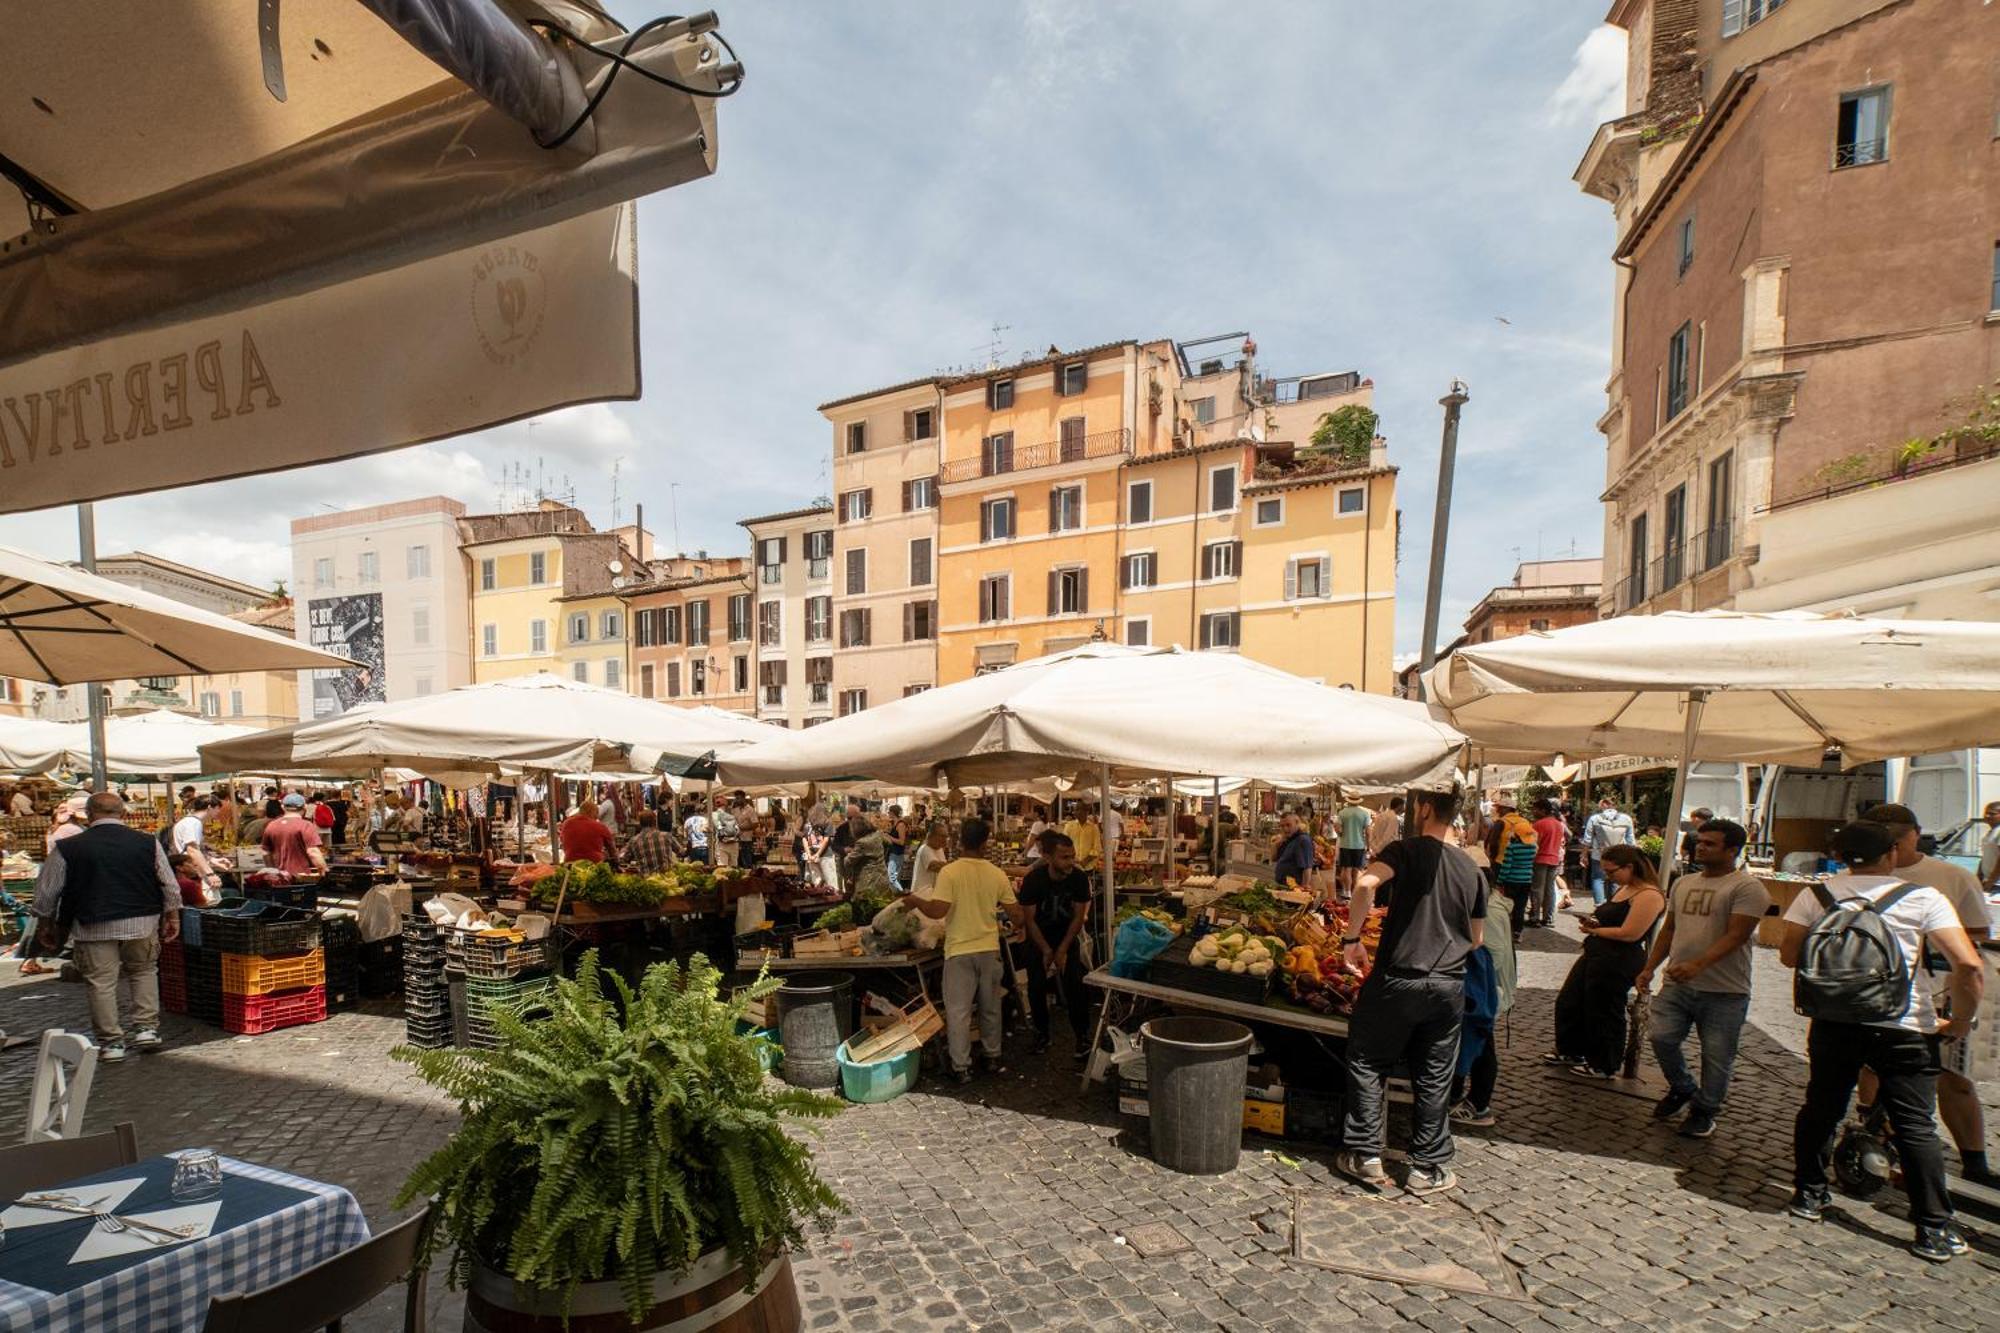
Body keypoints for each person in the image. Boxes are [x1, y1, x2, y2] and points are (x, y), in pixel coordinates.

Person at [1780, 821, 1983, 1262]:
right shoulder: (1923, 898)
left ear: (1839, 853)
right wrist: (1960, 1021)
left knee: (1822, 1107)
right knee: (1915, 1124)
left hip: (1834, 1021)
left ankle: (1809, 1194)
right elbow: (1968, 966)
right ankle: (1932, 1227)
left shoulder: (1816, 895)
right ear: (1891, 853)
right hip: (1905, 1023)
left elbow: (1788, 954)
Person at [1336, 785, 1486, 1196]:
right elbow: (1477, 938)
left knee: (1368, 1062)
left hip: (1398, 978)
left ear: (1422, 808)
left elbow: (1365, 885)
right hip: (1448, 986)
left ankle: (1366, 1157)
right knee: (1435, 1076)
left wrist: (1352, 939)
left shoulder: (1406, 851)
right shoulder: (1471, 868)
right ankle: (1426, 1168)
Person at [1856, 804, 1993, 1182]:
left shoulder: (1949, 877)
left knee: (1954, 1078)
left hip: (1940, 996)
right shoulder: (1860, 877)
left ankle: (1974, 1160)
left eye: (1896, 837)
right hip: (1873, 999)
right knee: (1873, 1072)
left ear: (1914, 834)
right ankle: (1877, 1144)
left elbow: (1976, 939)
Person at [1635, 817, 1769, 1138]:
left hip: (1725, 990)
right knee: (1660, 1037)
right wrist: (1649, 966)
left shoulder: (1747, 887)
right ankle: (1682, 1086)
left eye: (1710, 843)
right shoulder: (1684, 883)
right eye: (1699, 841)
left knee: (1717, 1055)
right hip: (1678, 983)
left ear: (1733, 850)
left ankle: (1705, 1110)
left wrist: (1699, 964)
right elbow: (1669, 929)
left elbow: (1737, 935)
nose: (1700, 847)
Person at [31, 792, 181, 1063]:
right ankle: (146, 1029)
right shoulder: (147, 843)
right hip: (141, 919)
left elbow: (46, 892)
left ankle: (112, 1042)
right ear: (123, 813)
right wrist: (172, 915)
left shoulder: (68, 847)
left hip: (92, 922)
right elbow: (169, 883)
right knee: (144, 971)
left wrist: (45, 921)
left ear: (88, 815)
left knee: (101, 983)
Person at [895, 818, 1026, 1084]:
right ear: (985, 842)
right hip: (989, 949)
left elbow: (937, 911)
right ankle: (992, 1056)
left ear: (960, 841)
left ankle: (961, 1067)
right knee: (990, 1007)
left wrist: (914, 900)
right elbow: (1017, 915)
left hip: (959, 951)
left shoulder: (950, 872)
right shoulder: (996, 873)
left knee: (959, 1012)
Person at [1548, 844, 1664, 1080]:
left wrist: (1598, 932)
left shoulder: (1649, 895)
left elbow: (1631, 933)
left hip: (1619, 959)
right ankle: (1572, 1050)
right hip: (1598, 953)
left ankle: (1604, 1062)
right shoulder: (1625, 888)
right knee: (1571, 1001)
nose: (1608, 877)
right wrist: (1595, 926)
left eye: (1612, 871)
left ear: (1630, 867)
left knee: (1603, 1009)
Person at [1017, 831, 1093, 1060]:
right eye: (1064, 857)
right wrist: (1046, 950)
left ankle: (1082, 1037)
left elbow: (1079, 917)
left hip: (1067, 938)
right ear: (1048, 857)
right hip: (1038, 940)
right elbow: (1029, 919)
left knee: (1075, 988)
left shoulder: (1079, 878)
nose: (1071, 862)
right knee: (1036, 988)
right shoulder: (1033, 880)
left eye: (1072, 856)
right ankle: (1041, 1034)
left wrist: (1061, 950)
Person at [1451, 867, 1517, 1128]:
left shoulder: (1487, 909)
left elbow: (1495, 953)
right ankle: (1455, 1094)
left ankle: (1478, 1105)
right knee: (1473, 1041)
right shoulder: (1487, 902)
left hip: (1482, 993)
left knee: (1480, 1043)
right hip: (1481, 990)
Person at [1484, 796, 1537, 939]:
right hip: (1524, 874)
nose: (1498, 810)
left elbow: (1492, 843)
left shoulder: (1501, 822)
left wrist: (1491, 859)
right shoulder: (1525, 822)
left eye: (1500, 808)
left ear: (1507, 809)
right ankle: (1516, 930)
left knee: (1501, 899)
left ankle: (1501, 927)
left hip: (1502, 864)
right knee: (1520, 905)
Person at [171, 795, 229, 903]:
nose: (218, 813)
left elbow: (193, 849)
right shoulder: (194, 823)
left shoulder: (187, 821)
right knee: (210, 905)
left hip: (192, 871)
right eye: (217, 809)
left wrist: (212, 860)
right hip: (195, 872)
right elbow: (192, 850)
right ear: (209, 807)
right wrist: (210, 874)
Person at [1583, 798, 1637, 904]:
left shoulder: (1595, 818)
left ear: (1604, 804)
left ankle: (1599, 906)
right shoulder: (1627, 818)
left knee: (1598, 879)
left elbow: (1587, 839)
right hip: (1620, 856)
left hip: (1599, 854)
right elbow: (1631, 839)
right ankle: (1614, 905)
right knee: (1616, 880)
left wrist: (1584, 854)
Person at [261, 793, 329, 876]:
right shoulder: (306, 825)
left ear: (282, 807)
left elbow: (265, 852)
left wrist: (273, 871)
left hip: (281, 878)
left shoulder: (271, 825)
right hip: (302, 877)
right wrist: (324, 870)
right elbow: (313, 852)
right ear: (305, 807)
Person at [1529, 798, 1567, 929]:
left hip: (1540, 859)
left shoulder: (1538, 824)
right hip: (1554, 859)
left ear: (1542, 810)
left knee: (1537, 889)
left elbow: (1534, 844)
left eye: (1535, 809)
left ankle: (1535, 917)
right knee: (1550, 889)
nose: (1533, 812)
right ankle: (1548, 917)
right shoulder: (1559, 824)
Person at [1336, 793, 1372, 898]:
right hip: (1359, 845)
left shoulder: (1342, 813)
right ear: (1359, 801)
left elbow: (1338, 828)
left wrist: (1341, 834)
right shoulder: (1365, 813)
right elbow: (1368, 832)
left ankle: (1347, 892)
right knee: (1356, 870)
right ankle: (1354, 891)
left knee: (1346, 869)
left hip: (1345, 844)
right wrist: (1368, 846)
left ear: (1349, 800)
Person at [1272, 811, 1317, 892]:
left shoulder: (1302, 840)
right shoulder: (1289, 839)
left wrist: (1303, 891)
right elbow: (1274, 858)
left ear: (1297, 823)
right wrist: (1275, 845)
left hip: (1294, 889)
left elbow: (1307, 868)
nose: (1285, 829)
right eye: (1282, 826)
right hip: (1284, 887)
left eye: (1288, 825)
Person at [909, 822, 949, 895]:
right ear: (932, 836)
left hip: (931, 894)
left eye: (946, 837)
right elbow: (935, 866)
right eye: (942, 836)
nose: (945, 840)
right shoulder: (925, 849)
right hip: (921, 895)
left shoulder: (939, 849)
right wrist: (957, 865)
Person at [682, 800, 711, 866]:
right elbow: (710, 832)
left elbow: (686, 838)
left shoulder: (687, 821)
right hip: (705, 847)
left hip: (694, 848)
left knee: (696, 869)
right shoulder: (705, 820)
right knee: (706, 868)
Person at [1980, 800, 2000, 893]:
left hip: (1996, 884)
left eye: (1992, 814)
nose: (1987, 816)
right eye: (1986, 813)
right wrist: (1979, 876)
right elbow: (1985, 857)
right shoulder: (1990, 833)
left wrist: (1991, 881)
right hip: (1989, 881)